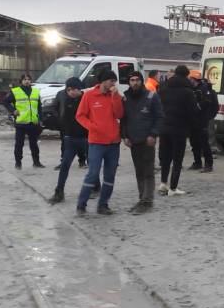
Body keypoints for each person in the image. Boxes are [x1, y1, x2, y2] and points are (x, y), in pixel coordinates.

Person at [75, 69, 124, 215]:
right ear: (103, 81)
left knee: (110, 175)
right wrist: (92, 127)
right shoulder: (89, 95)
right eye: (111, 81)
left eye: (114, 81)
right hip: (96, 142)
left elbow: (119, 114)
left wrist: (115, 97)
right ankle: (81, 205)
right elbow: (80, 116)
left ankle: (103, 205)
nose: (113, 83)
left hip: (114, 142)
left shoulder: (115, 95)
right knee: (93, 173)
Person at [121, 71, 163, 213]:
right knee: (139, 171)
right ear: (129, 82)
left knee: (148, 171)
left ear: (142, 81)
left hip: (147, 140)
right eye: (132, 80)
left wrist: (153, 134)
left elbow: (159, 117)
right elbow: (124, 119)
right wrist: (125, 136)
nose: (135, 82)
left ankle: (147, 200)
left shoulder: (151, 96)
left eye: (137, 80)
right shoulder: (126, 98)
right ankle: (142, 198)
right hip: (133, 141)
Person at [156, 65, 197, 196]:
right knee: (177, 159)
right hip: (180, 129)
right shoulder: (188, 91)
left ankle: (163, 183)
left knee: (166, 157)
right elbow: (192, 112)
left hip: (164, 127)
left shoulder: (163, 88)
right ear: (186, 75)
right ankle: (173, 188)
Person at [47, 77, 87, 204]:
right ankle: (59, 192)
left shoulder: (86, 99)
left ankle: (96, 187)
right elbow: (60, 114)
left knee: (93, 165)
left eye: (75, 89)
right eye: (69, 90)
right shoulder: (65, 98)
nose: (72, 92)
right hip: (70, 138)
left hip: (86, 139)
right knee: (65, 165)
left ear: (79, 89)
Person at [3, 74, 43, 169]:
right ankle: (18, 163)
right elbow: (5, 101)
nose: (27, 81)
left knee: (34, 144)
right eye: (25, 79)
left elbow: (39, 107)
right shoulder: (15, 91)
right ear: (21, 81)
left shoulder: (36, 91)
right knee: (19, 144)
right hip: (21, 123)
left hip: (33, 122)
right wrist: (13, 111)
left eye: (29, 79)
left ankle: (36, 162)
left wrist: (40, 118)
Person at [188, 69, 217, 173]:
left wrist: (197, 108)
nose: (189, 80)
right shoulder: (191, 89)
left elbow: (208, 103)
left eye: (190, 78)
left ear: (193, 78)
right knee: (194, 143)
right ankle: (197, 162)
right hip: (192, 121)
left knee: (204, 143)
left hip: (202, 121)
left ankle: (209, 164)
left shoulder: (204, 90)